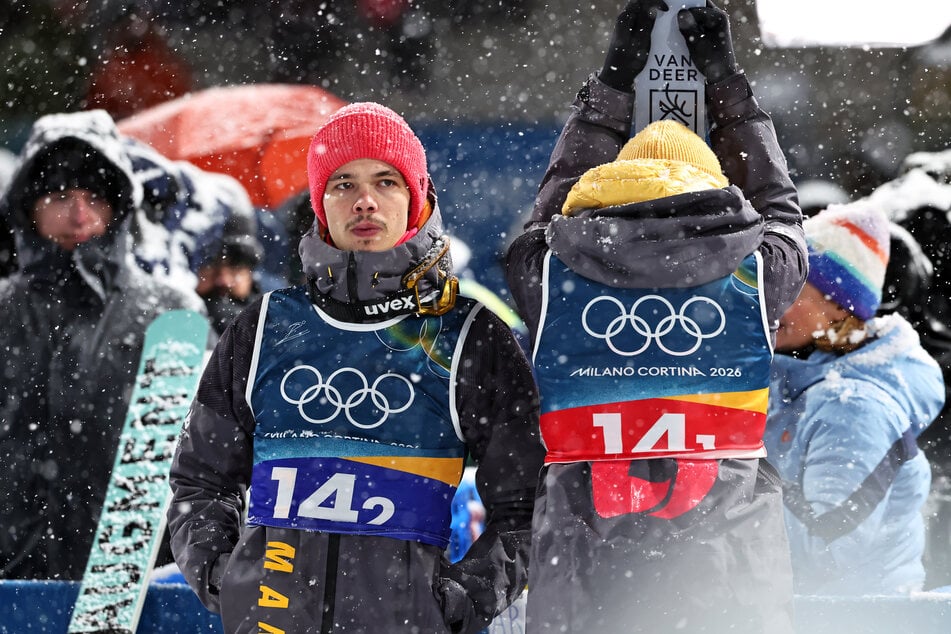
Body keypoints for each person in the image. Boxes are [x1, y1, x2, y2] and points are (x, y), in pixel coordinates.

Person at [167, 102, 544, 633]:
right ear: (320, 204)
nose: (364, 200)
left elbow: (528, 505)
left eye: (386, 181)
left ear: (416, 198)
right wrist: (228, 581)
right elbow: (200, 480)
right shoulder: (264, 327)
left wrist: (455, 604)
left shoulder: (468, 334)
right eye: (343, 183)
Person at [505, 1, 807, 631]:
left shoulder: (549, 273)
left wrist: (613, 83)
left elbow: (549, 210)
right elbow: (781, 212)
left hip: (584, 588)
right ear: (714, 191)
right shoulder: (756, 274)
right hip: (728, 588)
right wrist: (727, 85)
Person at [0, 109, 207, 580]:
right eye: (60, 197)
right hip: (11, 576)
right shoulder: (4, 312)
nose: (79, 215)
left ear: (118, 207)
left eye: (94, 197)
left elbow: (211, 458)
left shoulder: (169, 314)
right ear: (29, 206)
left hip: (137, 585)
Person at [764, 201, 944, 595]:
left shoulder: (853, 407)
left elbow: (830, 553)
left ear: (837, 307)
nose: (770, 300)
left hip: (856, 617)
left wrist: (735, 481)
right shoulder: (799, 384)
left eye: (790, 289)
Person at [193, 209, 265, 334]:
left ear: (249, 275)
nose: (223, 281)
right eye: (212, 266)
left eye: (235, 268)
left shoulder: (273, 324)